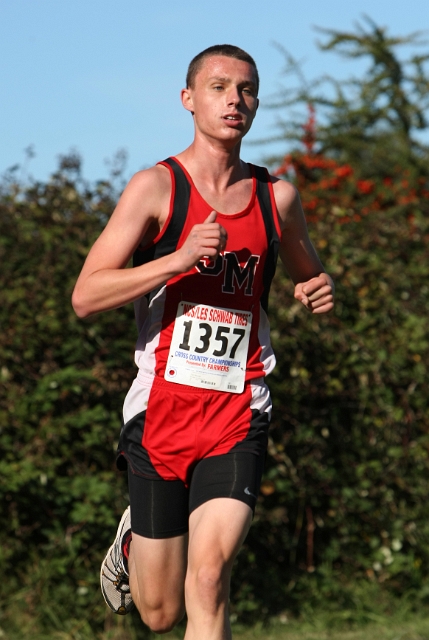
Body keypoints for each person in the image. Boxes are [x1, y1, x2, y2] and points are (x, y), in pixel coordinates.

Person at [72, 44, 334, 640]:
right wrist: (177, 260)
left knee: (210, 577)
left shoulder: (278, 199)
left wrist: (318, 289)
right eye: (218, 87)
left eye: (245, 89)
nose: (233, 100)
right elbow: (86, 296)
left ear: (257, 104)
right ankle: (135, 534)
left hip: (237, 408)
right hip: (160, 407)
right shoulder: (156, 188)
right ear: (189, 100)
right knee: (160, 614)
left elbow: (309, 273)